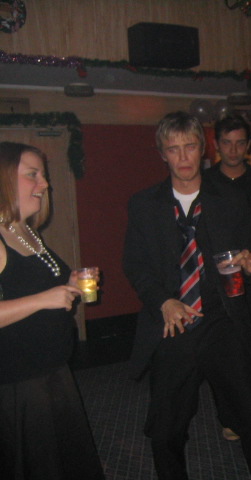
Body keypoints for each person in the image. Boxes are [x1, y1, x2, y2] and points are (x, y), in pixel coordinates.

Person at [122, 111, 251, 480]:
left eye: (190, 147)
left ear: (203, 149)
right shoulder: (144, 204)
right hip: (173, 323)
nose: (183, 157)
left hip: (220, 320)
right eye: (173, 149)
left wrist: (247, 263)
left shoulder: (230, 198)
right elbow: (135, 265)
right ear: (162, 154)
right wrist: (163, 301)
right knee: (165, 431)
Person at [0, 142, 105, 480]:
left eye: (43, 176)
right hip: (19, 384)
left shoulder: (26, 232)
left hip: (51, 373)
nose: (45, 184)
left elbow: (33, 286)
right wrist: (44, 299)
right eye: (33, 175)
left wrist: (69, 282)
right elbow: (37, 298)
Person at [203, 112, 251, 441]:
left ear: (249, 145)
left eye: (240, 143)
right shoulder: (205, 183)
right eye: (227, 143)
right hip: (220, 282)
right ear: (217, 144)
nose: (233, 150)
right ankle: (230, 416)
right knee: (226, 351)